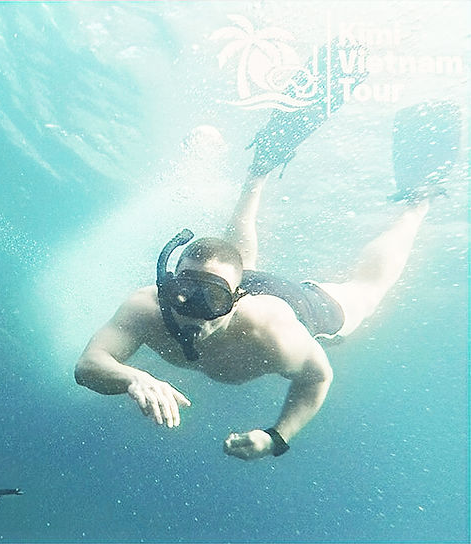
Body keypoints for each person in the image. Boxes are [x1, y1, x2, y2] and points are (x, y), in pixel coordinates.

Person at [74, 100, 461, 460]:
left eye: (211, 301)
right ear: (169, 286)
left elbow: (317, 376)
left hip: (295, 305)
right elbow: (89, 364)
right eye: (183, 294)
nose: (193, 311)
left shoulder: (272, 331)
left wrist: (277, 437)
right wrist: (132, 377)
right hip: (238, 280)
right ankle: (258, 172)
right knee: (236, 259)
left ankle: (417, 204)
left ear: (236, 300)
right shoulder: (147, 308)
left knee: (367, 293)